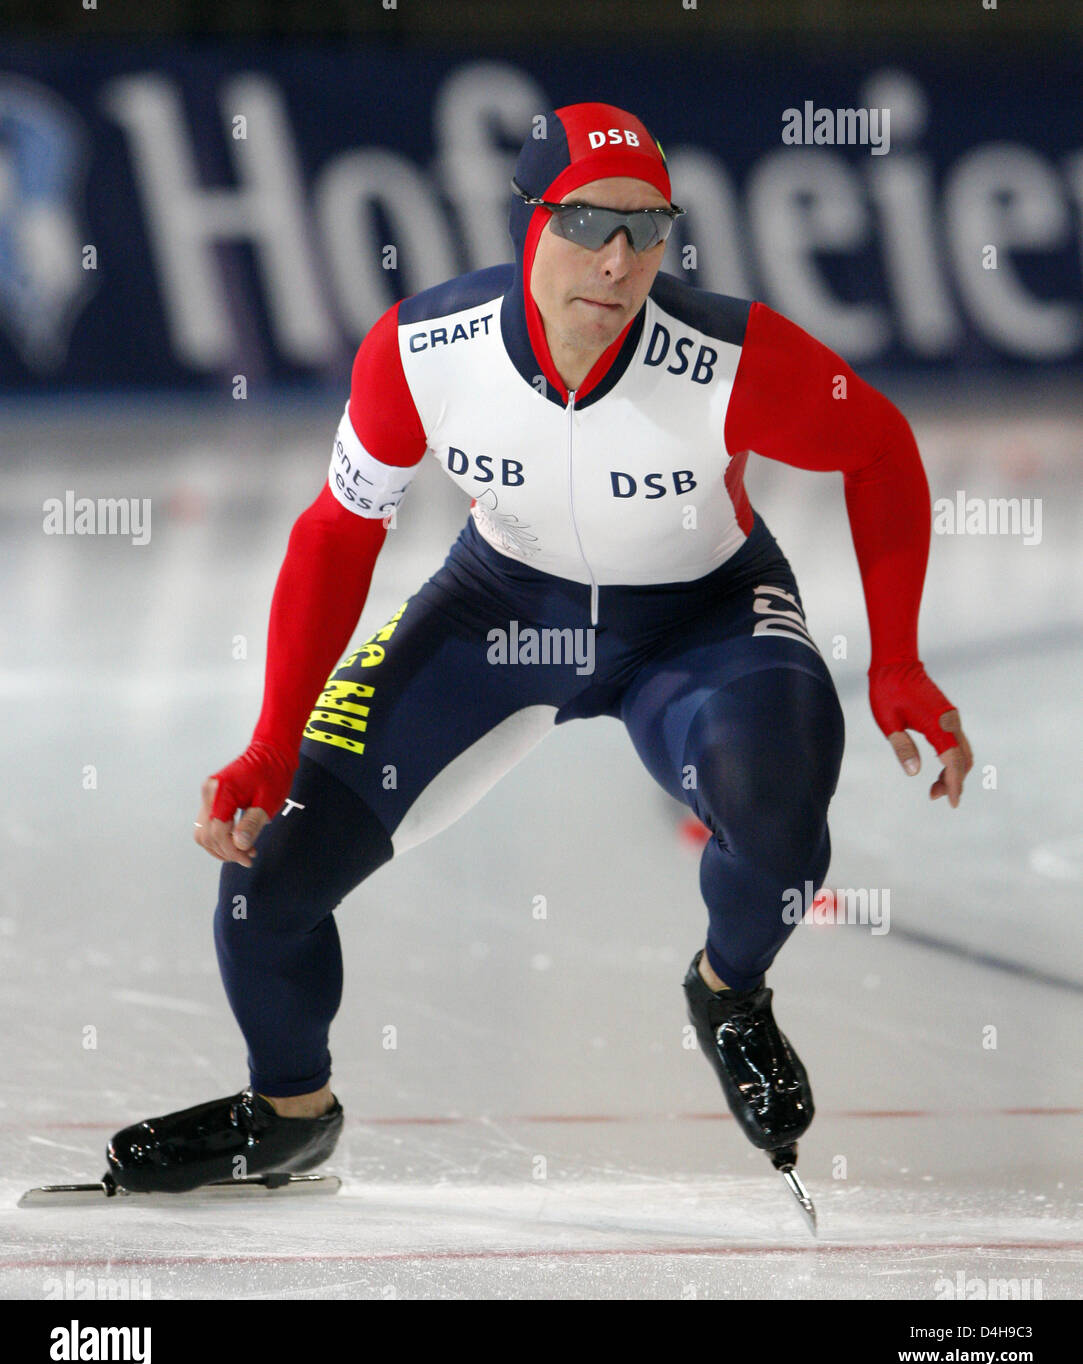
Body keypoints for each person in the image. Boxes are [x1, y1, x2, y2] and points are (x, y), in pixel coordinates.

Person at [106, 102, 972, 1194]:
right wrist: (274, 740)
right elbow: (337, 531)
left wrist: (897, 660)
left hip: (701, 617)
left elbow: (880, 443)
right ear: (530, 221)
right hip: (497, 614)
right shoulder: (423, 350)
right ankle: (287, 1111)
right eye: (588, 226)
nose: (617, 262)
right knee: (264, 885)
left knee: (782, 826)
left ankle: (729, 986)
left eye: (647, 228)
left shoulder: (728, 355)